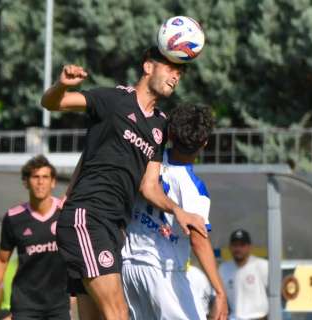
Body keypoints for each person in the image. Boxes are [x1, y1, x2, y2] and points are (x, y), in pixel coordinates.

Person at [40, 47, 208, 320]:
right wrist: (61, 85)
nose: (176, 77)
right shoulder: (114, 99)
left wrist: (178, 210)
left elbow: (149, 186)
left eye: (180, 72)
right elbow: (51, 103)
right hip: (88, 216)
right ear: (148, 67)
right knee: (118, 313)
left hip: (114, 228)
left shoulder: (159, 126)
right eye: (171, 69)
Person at [121, 104, 227, 320]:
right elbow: (198, 239)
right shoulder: (193, 188)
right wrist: (220, 290)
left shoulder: (148, 160)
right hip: (163, 271)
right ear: (204, 143)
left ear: (170, 134)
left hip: (128, 266)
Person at [0, 155, 70, 320]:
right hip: (26, 305)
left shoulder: (65, 212)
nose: (40, 182)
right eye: (35, 177)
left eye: (45, 177)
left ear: (53, 182)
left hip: (58, 304)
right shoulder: (14, 217)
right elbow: (2, 260)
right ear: (26, 182)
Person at [219, 229, 269, 320]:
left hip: (258, 317)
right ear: (230, 247)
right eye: (235, 245)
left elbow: (274, 293)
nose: (238, 249)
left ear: (249, 247)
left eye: (242, 245)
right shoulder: (223, 269)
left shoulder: (262, 265)